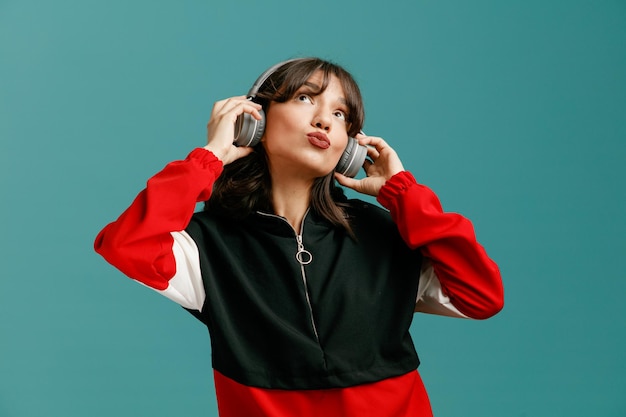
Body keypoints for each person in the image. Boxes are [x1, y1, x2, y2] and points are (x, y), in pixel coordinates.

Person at [94, 57, 504, 417]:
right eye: (307, 98)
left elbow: (481, 296)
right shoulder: (208, 246)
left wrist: (404, 194)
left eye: (341, 114)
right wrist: (209, 158)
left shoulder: (386, 235)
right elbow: (125, 244)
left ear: (349, 150)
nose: (325, 120)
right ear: (254, 119)